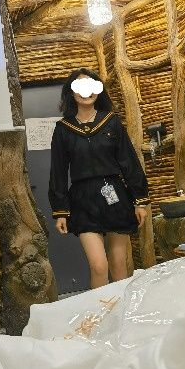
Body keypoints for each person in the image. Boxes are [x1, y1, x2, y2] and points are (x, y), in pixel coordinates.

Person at [49, 68, 150, 289]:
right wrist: (60, 211)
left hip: (115, 196)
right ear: (71, 92)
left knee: (119, 265)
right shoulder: (63, 129)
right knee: (99, 266)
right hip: (83, 200)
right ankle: (100, 310)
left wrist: (140, 200)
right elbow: (58, 172)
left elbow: (129, 161)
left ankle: (122, 309)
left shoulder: (111, 122)